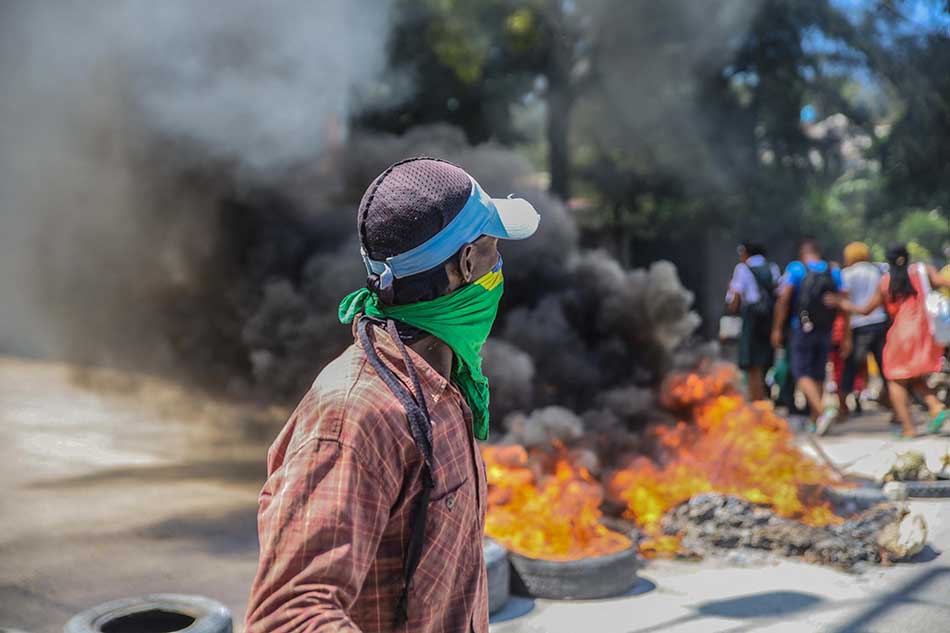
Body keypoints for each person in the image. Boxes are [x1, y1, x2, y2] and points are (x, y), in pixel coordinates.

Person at [244, 157, 540, 632]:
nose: (499, 264)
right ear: (467, 265)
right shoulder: (356, 416)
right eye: (492, 248)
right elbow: (289, 617)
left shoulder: (440, 387)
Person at [831, 244, 949, 438]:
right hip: (925, 331)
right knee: (913, 375)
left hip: (901, 334)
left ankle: (908, 428)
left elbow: (866, 309)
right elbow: (943, 281)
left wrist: (842, 303)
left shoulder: (886, 281)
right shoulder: (922, 270)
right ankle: (935, 406)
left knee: (895, 379)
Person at [771, 237, 848, 435]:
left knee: (800, 372)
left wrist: (777, 328)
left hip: (802, 328)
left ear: (802, 253)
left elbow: (783, 299)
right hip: (826, 329)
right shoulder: (833, 270)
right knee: (818, 373)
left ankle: (822, 412)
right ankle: (816, 421)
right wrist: (847, 334)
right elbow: (844, 302)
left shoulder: (796, 268)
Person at [837, 242, 889, 419]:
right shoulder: (876, 271)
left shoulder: (847, 274)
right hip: (879, 322)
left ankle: (842, 406)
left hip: (858, 325)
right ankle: (893, 401)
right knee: (884, 367)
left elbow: (845, 307)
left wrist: (846, 336)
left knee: (850, 367)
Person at [726, 242, 780, 401]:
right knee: (764, 362)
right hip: (770, 319)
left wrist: (731, 307)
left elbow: (735, 297)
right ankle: (764, 397)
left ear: (745, 253)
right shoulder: (772, 267)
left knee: (752, 365)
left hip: (752, 319)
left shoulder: (742, 268)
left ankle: (757, 402)